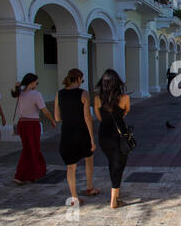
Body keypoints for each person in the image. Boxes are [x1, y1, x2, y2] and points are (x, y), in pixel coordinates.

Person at [54, 69, 100, 206]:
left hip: (67, 132)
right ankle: (89, 187)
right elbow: (88, 118)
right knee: (89, 160)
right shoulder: (83, 94)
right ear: (79, 78)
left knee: (71, 167)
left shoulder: (59, 94)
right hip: (82, 132)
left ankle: (74, 197)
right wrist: (92, 138)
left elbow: (57, 118)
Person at [94, 69, 131, 209]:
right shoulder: (124, 98)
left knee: (112, 162)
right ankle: (114, 199)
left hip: (104, 134)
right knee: (119, 164)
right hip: (120, 134)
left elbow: (99, 117)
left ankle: (116, 194)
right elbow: (126, 111)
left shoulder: (98, 98)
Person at [11, 73, 56, 184]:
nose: (37, 84)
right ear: (32, 83)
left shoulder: (20, 93)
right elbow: (44, 110)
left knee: (29, 148)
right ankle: (27, 174)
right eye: (36, 82)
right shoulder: (36, 94)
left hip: (22, 124)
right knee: (33, 148)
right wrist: (52, 121)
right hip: (32, 124)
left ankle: (34, 172)